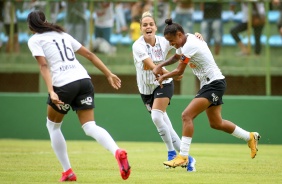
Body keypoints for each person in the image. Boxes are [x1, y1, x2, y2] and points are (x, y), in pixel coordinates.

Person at [27, 10, 130, 181]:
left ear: (30, 27)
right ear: (46, 20)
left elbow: (44, 66)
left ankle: (68, 171)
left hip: (64, 85)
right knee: (90, 126)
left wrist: (51, 91)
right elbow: (89, 55)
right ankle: (117, 151)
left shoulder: (35, 40)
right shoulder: (63, 34)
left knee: (53, 126)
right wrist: (108, 73)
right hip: (84, 80)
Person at [153, 18, 261, 169]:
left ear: (179, 35)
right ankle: (249, 136)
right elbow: (176, 57)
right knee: (216, 123)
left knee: (187, 115)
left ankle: (183, 156)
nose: (171, 44)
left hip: (214, 84)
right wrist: (161, 65)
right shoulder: (184, 42)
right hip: (210, 84)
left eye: (172, 41)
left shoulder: (190, 44)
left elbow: (179, 71)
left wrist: (163, 75)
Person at [132, 11, 199, 172]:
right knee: (167, 126)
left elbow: (181, 38)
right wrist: (171, 73)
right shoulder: (138, 45)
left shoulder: (163, 41)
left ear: (155, 27)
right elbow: (151, 66)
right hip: (146, 89)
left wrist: (195, 35)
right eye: (145, 25)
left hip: (163, 84)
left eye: (151, 24)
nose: (148, 27)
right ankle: (189, 159)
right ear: (141, 28)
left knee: (156, 116)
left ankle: (170, 153)